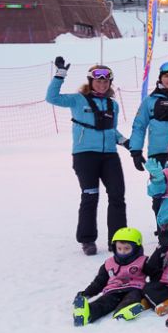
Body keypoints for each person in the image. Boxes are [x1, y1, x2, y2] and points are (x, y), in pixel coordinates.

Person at [47, 58, 129, 254]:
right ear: (91, 81)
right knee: (90, 196)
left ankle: (118, 240)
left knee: (117, 196)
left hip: (109, 156)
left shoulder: (113, 104)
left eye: (106, 81)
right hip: (85, 155)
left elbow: (112, 130)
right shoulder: (78, 99)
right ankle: (87, 240)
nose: (102, 84)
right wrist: (60, 75)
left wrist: (126, 142)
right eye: (98, 81)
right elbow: (52, 97)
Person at [72, 228, 150, 325]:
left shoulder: (143, 261)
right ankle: (87, 313)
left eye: (127, 248)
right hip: (113, 290)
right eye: (119, 248)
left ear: (136, 248)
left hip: (135, 288)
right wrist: (86, 293)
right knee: (104, 302)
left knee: (132, 298)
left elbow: (155, 275)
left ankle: (124, 312)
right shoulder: (109, 263)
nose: (122, 252)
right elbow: (99, 282)